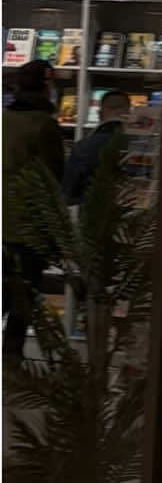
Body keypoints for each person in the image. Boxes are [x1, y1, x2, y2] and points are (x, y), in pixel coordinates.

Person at [3, 60, 65, 361]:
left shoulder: (4, 119)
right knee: (23, 296)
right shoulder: (44, 126)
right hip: (27, 225)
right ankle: (12, 359)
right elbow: (52, 179)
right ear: (46, 86)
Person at [62, 89, 131, 206]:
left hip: (93, 215)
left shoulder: (83, 146)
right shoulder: (143, 144)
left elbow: (68, 194)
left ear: (100, 114)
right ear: (130, 113)